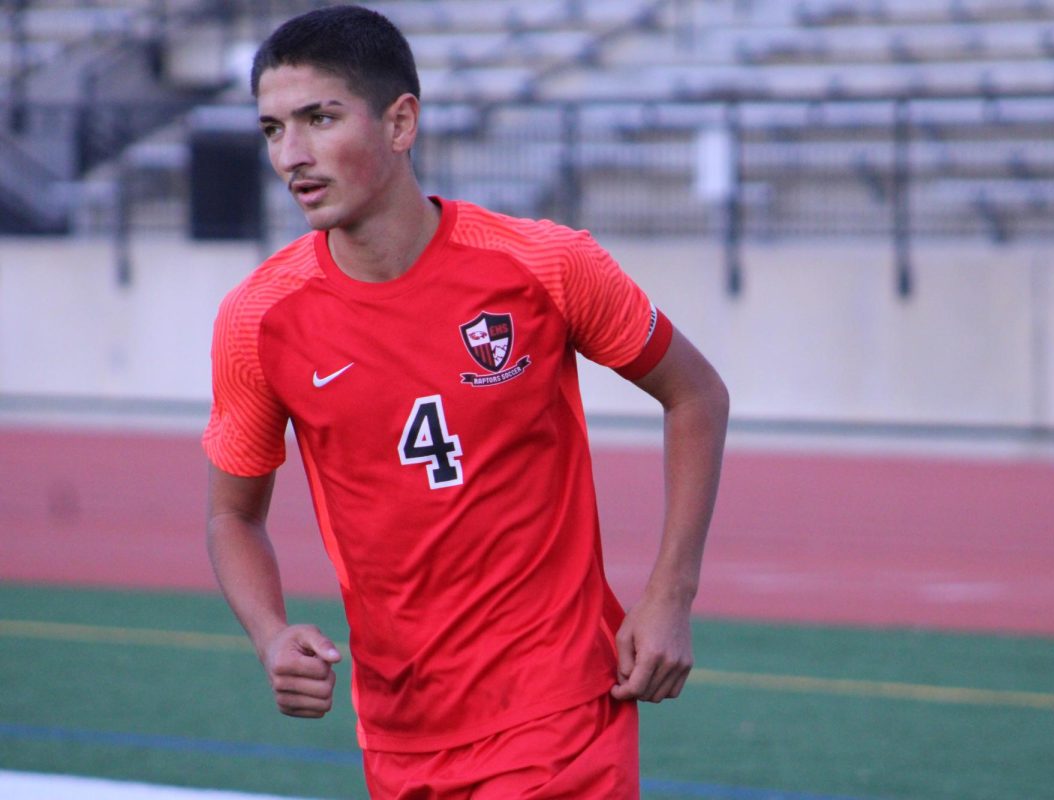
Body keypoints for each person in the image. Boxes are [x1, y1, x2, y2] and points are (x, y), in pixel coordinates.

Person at [203, 5, 728, 798]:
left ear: (401, 122)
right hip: (400, 734)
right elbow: (231, 515)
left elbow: (696, 394)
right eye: (273, 129)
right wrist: (271, 635)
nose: (293, 155)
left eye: (320, 118)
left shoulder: (544, 266)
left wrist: (669, 594)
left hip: (560, 715)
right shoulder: (260, 319)